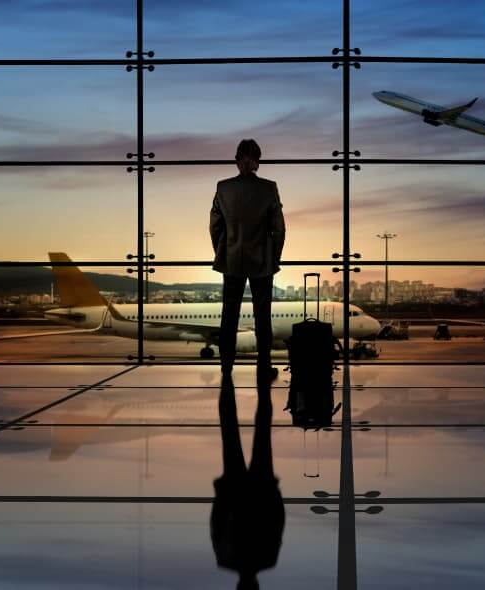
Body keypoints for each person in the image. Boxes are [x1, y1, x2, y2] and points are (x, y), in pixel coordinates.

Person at [210, 139, 285, 380]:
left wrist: (223, 251)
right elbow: (279, 229)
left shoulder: (223, 188)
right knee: (263, 317)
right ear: (257, 161)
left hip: (232, 260)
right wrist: (273, 257)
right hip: (262, 262)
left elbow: (215, 227)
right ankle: (263, 366)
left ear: (237, 159)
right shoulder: (269, 188)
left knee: (229, 316)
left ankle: (226, 366)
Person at [211, 374, 285, 590]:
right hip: (234, 490)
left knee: (262, 430)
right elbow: (216, 524)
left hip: (262, 489)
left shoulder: (268, 560)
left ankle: (262, 389)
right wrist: (221, 494)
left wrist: (275, 492)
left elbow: (277, 522)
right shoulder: (225, 560)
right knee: (229, 429)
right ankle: (228, 381)